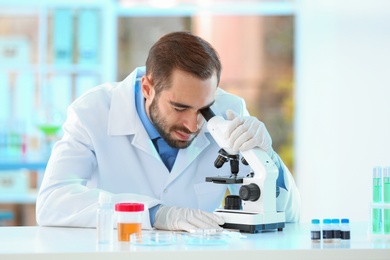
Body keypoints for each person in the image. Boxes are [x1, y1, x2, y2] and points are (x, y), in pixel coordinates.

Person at [36, 31, 300, 232]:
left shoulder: (229, 111)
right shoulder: (93, 112)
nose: (193, 124)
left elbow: (290, 216)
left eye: (204, 109)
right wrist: (154, 214)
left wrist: (267, 158)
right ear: (148, 88)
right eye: (179, 107)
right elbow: (52, 201)